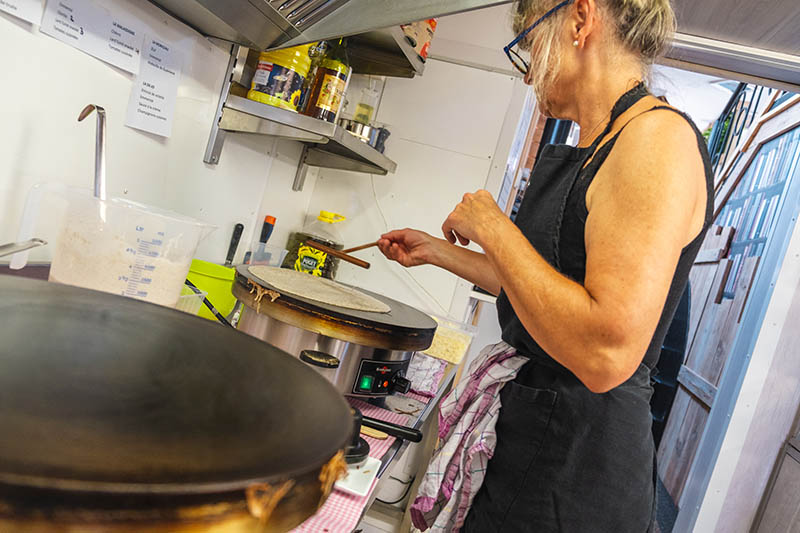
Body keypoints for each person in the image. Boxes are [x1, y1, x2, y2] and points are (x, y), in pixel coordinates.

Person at [378, 0, 713, 530]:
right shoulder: (600, 142)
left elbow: (604, 351)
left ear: (580, 20)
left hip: (576, 469)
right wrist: (439, 253)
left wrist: (494, 227)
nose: (530, 71)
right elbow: (550, 289)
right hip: (538, 439)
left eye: (531, 46)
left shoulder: (655, 142)